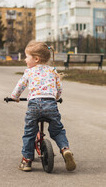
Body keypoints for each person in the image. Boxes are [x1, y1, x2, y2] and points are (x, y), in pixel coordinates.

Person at [11, 40, 76, 172]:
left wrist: (15, 97)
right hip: (51, 105)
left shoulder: (29, 72)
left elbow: (20, 85)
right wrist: (56, 97)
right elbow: (59, 88)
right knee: (57, 130)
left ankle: (27, 161)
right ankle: (65, 149)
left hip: (34, 105)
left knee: (29, 133)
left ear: (36, 59)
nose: (25, 60)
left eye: (26, 57)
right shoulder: (52, 70)